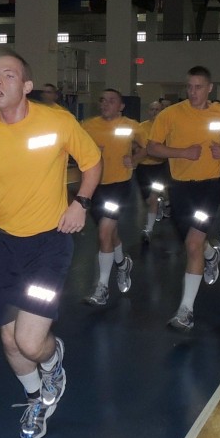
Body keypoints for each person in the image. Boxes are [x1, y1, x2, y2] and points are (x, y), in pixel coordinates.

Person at [0, 52, 103, 438]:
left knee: (30, 342)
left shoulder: (56, 121)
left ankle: (53, 360)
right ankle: (37, 397)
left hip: (49, 243)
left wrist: (80, 204)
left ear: (26, 86)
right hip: (3, 245)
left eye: (8, 75)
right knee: (8, 339)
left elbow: (93, 162)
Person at [146, 65, 220, 332]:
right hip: (178, 189)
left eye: (199, 87)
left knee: (192, 243)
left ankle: (185, 310)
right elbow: (153, 147)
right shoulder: (171, 114)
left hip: (209, 187)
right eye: (189, 86)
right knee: (193, 243)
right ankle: (211, 254)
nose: (193, 91)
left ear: (210, 88)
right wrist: (182, 153)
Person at [80, 88, 138, 305]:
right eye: (103, 100)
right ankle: (122, 264)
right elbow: (76, 149)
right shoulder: (88, 126)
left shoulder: (131, 126)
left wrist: (136, 158)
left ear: (121, 106)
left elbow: (147, 146)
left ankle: (102, 288)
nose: (105, 104)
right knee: (109, 234)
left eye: (111, 101)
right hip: (95, 188)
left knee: (104, 233)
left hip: (119, 186)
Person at [133, 100, 170, 243]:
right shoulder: (141, 127)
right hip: (143, 168)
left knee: (153, 197)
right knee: (148, 200)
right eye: (152, 109)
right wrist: (136, 150)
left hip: (159, 167)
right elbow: (134, 144)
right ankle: (159, 204)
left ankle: (148, 229)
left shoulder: (166, 128)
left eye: (158, 109)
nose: (155, 112)